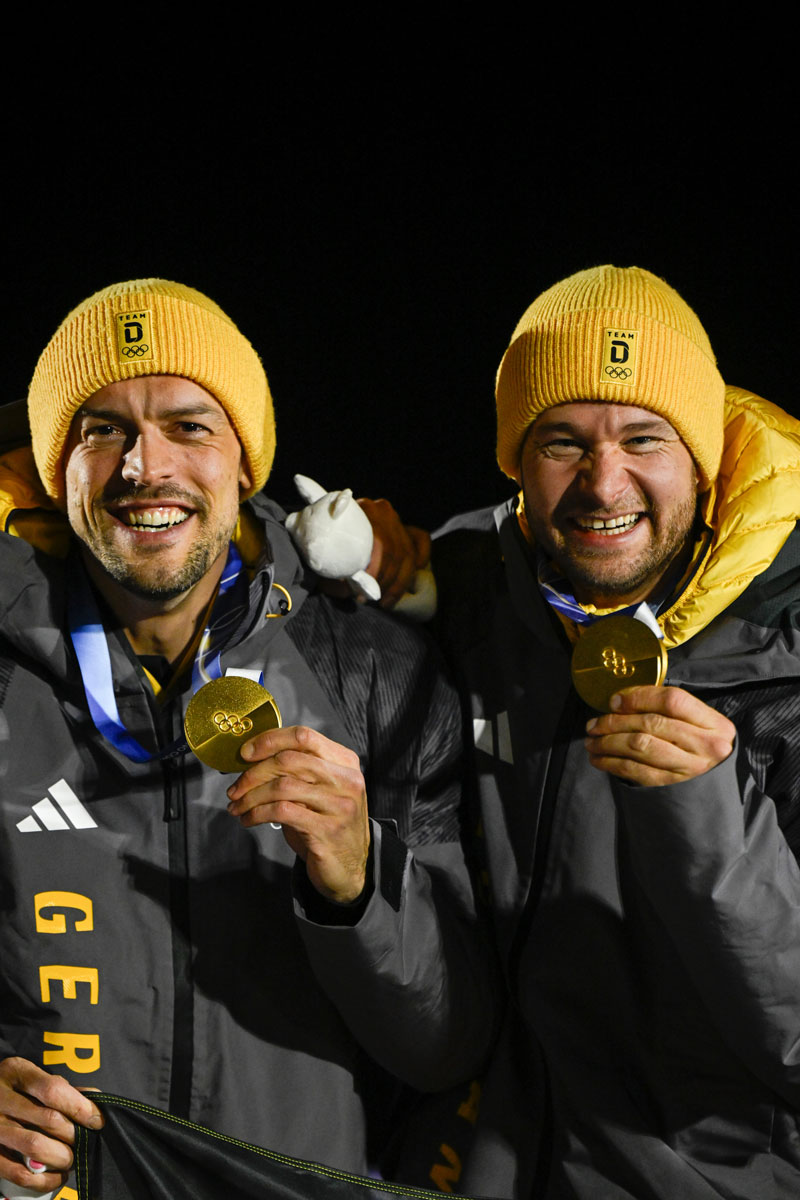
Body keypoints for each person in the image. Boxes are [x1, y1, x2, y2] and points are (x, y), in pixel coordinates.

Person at [0, 279, 495, 1198]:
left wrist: (358, 885)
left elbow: (449, 1049)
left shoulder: (377, 674)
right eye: (103, 430)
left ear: (245, 462)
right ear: (55, 467)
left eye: (188, 426)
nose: (145, 466)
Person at [363, 265, 800, 1198]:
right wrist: (366, 556)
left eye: (645, 439)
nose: (605, 485)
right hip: (498, 1161)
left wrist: (709, 819)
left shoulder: (788, 653)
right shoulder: (485, 588)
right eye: (563, 442)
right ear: (516, 465)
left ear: (704, 459)